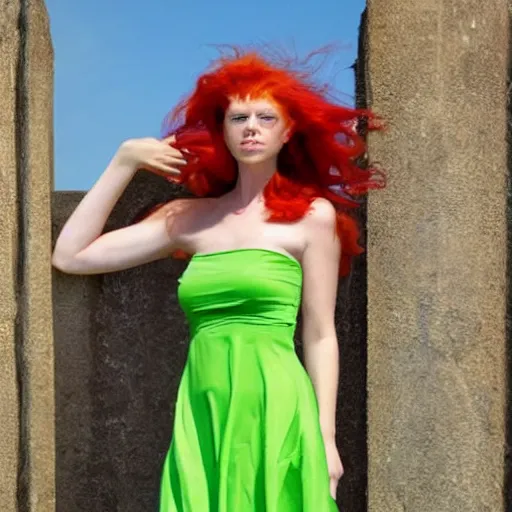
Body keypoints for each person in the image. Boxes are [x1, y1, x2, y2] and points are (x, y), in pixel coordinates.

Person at [52, 48, 384, 511]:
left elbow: (320, 333)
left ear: (288, 131)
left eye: (267, 117)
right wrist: (124, 160)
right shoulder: (188, 219)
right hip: (203, 403)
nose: (251, 126)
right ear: (222, 131)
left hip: (276, 401)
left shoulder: (312, 218)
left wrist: (326, 439)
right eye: (238, 117)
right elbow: (71, 256)